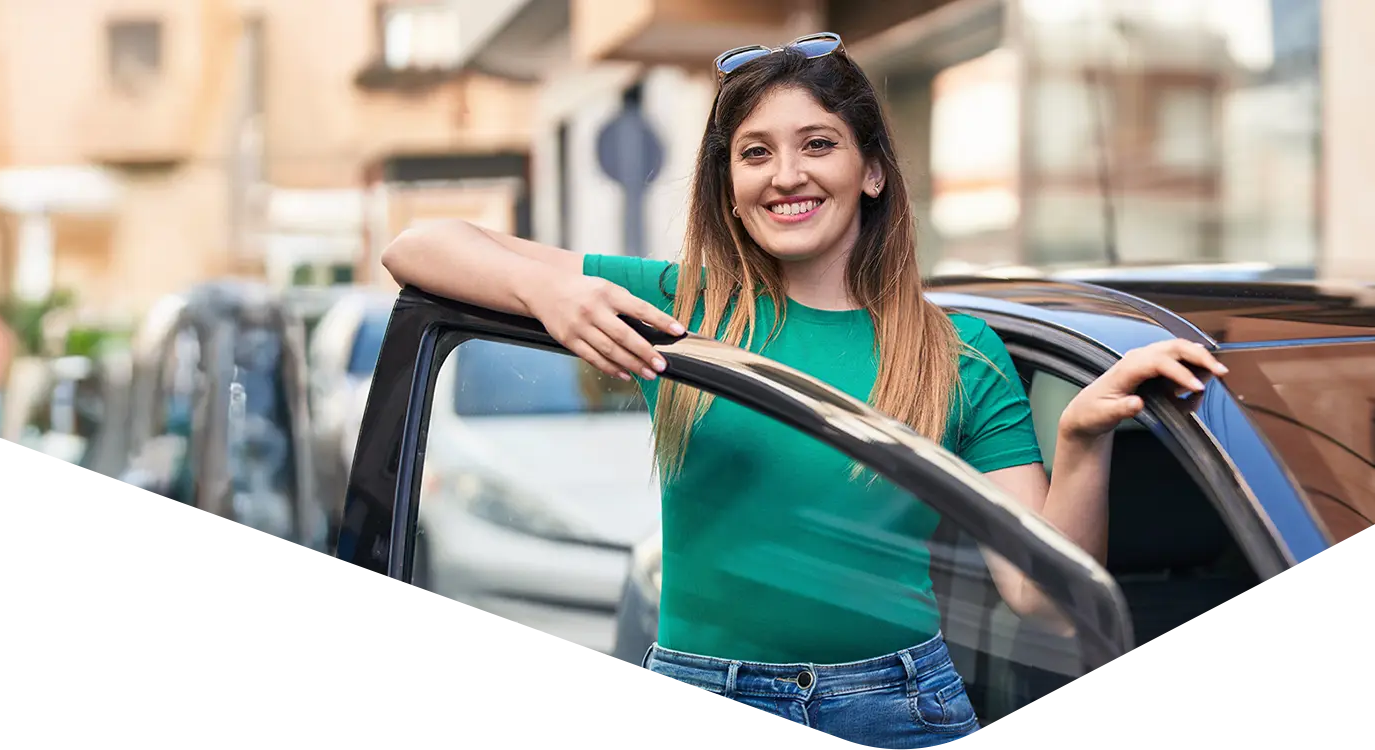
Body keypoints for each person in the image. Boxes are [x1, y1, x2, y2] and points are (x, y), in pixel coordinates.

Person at [380, 32, 1227, 749]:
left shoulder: (956, 352)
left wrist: (1081, 437)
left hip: (899, 706)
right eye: (755, 153)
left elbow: (1039, 598)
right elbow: (419, 245)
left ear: (871, 171)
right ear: (729, 188)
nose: (786, 175)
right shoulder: (683, 303)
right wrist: (549, 291)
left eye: (817, 143)